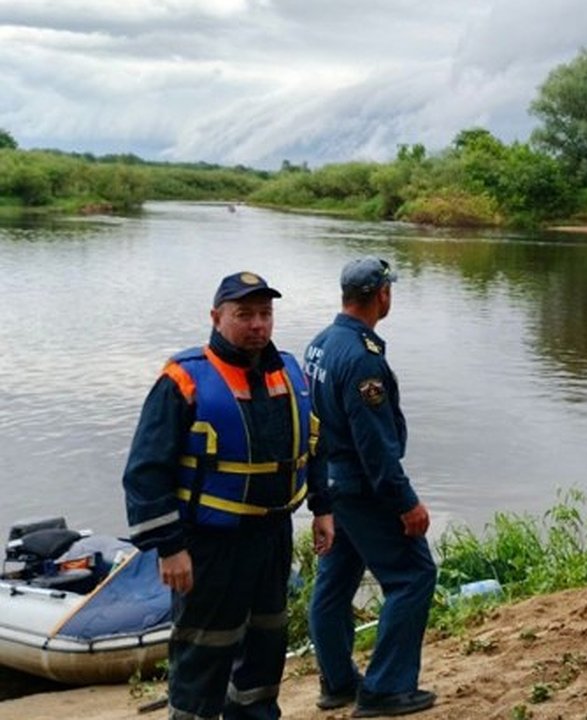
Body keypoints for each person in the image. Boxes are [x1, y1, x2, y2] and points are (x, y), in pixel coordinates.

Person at [122, 271, 333, 720]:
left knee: (266, 643)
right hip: (208, 546)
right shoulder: (183, 380)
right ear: (217, 317)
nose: (257, 324)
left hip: (272, 539)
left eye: (265, 313)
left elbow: (313, 447)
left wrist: (323, 509)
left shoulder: (291, 373)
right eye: (244, 314)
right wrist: (170, 547)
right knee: (204, 650)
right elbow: (145, 472)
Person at [304, 257, 438, 718]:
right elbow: (375, 447)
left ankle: (337, 681)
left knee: (335, 582)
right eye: (389, 289)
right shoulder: (361, 357)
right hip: (361, 489)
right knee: (414, 576)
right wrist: (406, 504)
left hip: (333, 485)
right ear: (382, 294)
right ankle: (384, 690)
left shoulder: (320, 344)